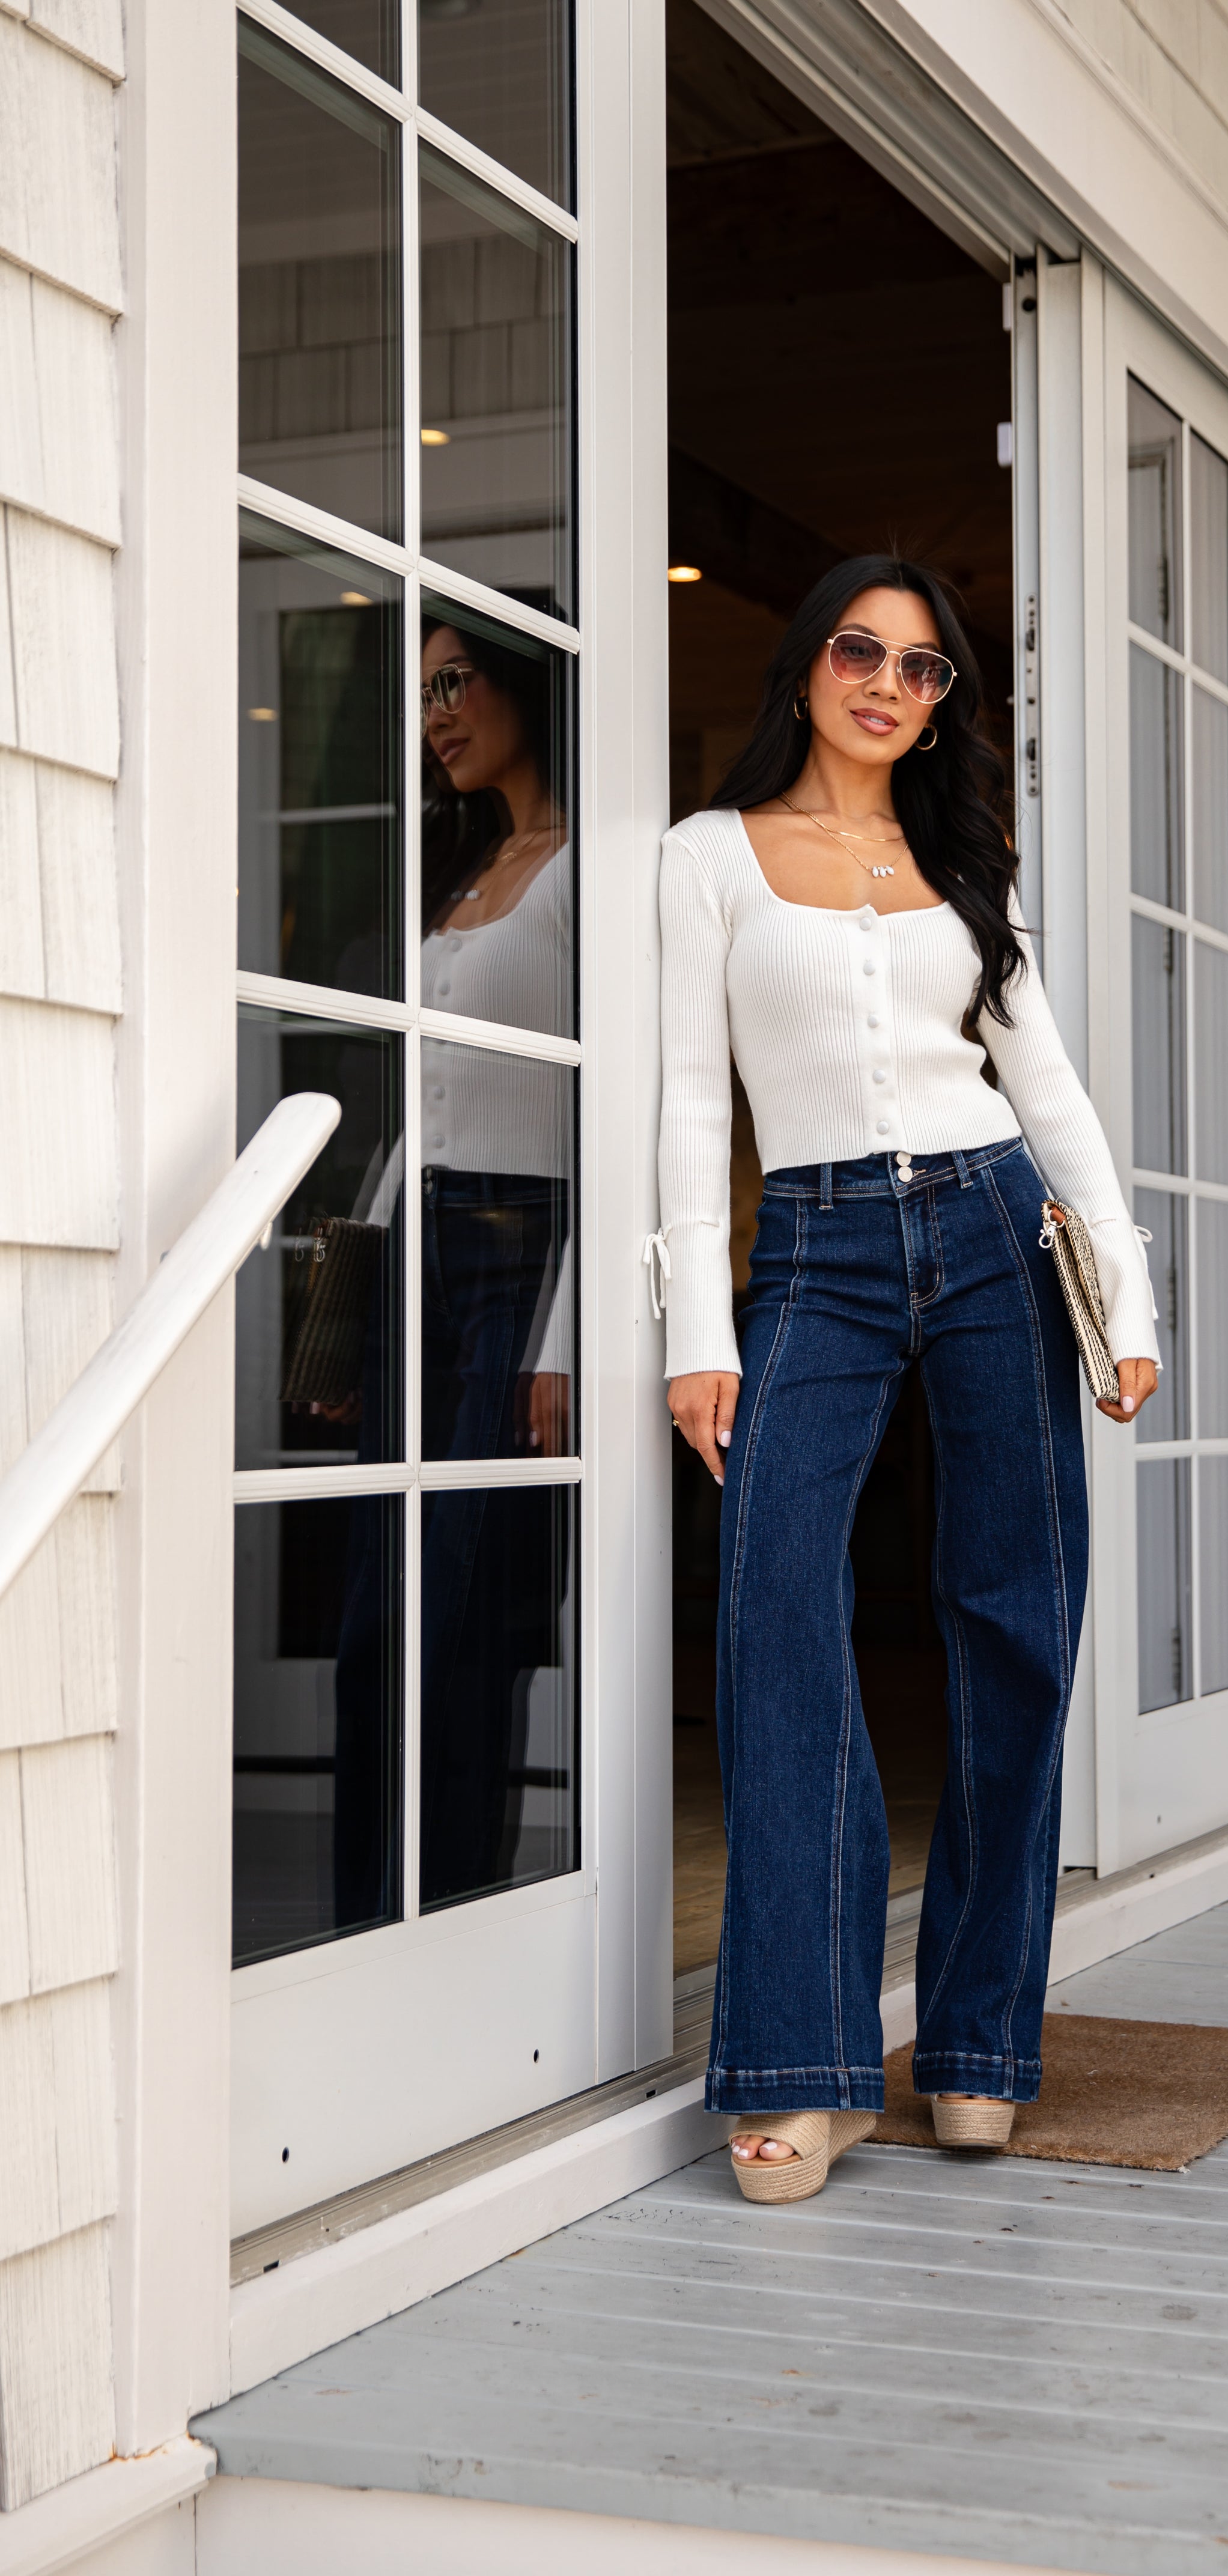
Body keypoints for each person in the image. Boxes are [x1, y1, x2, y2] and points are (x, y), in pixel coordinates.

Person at [656, 554, 1160, 2202]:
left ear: (944, 704)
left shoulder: (960, 861)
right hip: (814, 1250)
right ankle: (799, 2062)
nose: (885, 684)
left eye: (923, 669)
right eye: (859, 652)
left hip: (996, 1224)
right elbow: (681, 1104)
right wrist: (696, 1333)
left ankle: (974, 2047)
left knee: (1015, 1616)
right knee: (776, 1606)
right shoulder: (706, 859)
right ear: (805, 663)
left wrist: (1123, 1297)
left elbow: (1050, 1083)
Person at [334, 615, 573, 1917]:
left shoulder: (587, 872)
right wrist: (351, 1298)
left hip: (521, 1247)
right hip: (420, 1239)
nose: (434, 711)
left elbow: (624, 1113)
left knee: (470, 1600)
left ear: (523, 680)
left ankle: (456, 1906)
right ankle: (368, 1910)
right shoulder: (466, 865)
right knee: (378, 1607)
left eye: (454, 680)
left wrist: (567, 1330)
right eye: (422, 691)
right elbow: (414, 1105)